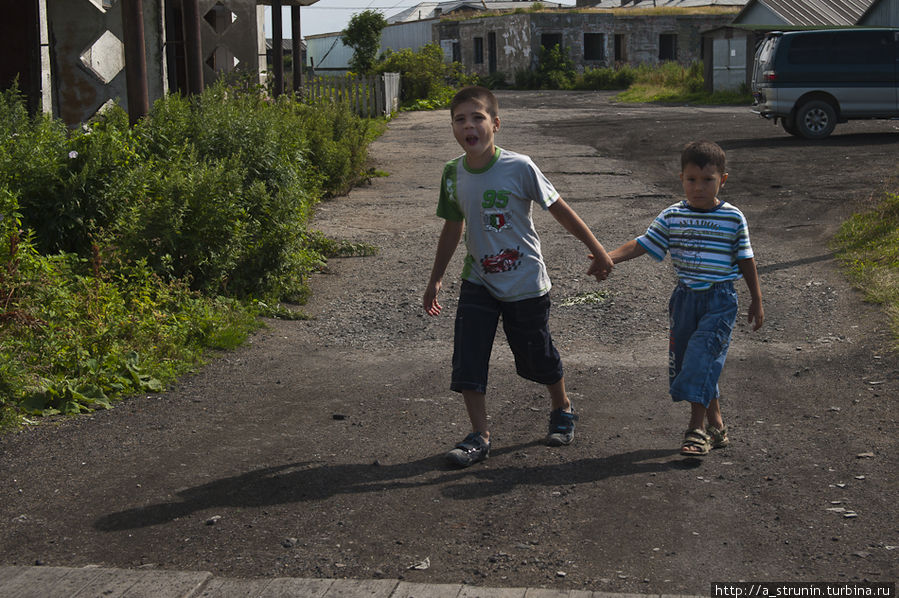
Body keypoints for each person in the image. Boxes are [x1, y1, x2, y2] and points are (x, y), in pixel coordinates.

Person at [422, 86, 614, 468]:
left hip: (525, 280)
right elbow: (452, 227)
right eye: (459, 119)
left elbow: (559, 209)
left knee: (535, 355)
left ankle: (562, 407)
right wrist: (436, 278)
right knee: (468, 356)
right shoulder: (452, 173)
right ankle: (480, 436)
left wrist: (598, 248)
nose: (468, 126)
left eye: (477, 117)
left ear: (495, 123)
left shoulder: (520, 167)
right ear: (453, 128)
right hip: (478, 279)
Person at [607, 140, 764, 456]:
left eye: (708, 180)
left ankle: (696, 429)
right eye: (692, 179)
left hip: (720, 300)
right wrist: (607, 256)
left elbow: (746, 259)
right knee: (692, 362)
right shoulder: (672, 216)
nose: (699, 187)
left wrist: (756, 299)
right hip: (685, 299)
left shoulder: (733, 218)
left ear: (723, 179)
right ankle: (717, 425)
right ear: (681, 179)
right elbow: (641, 243)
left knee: (700, 358)